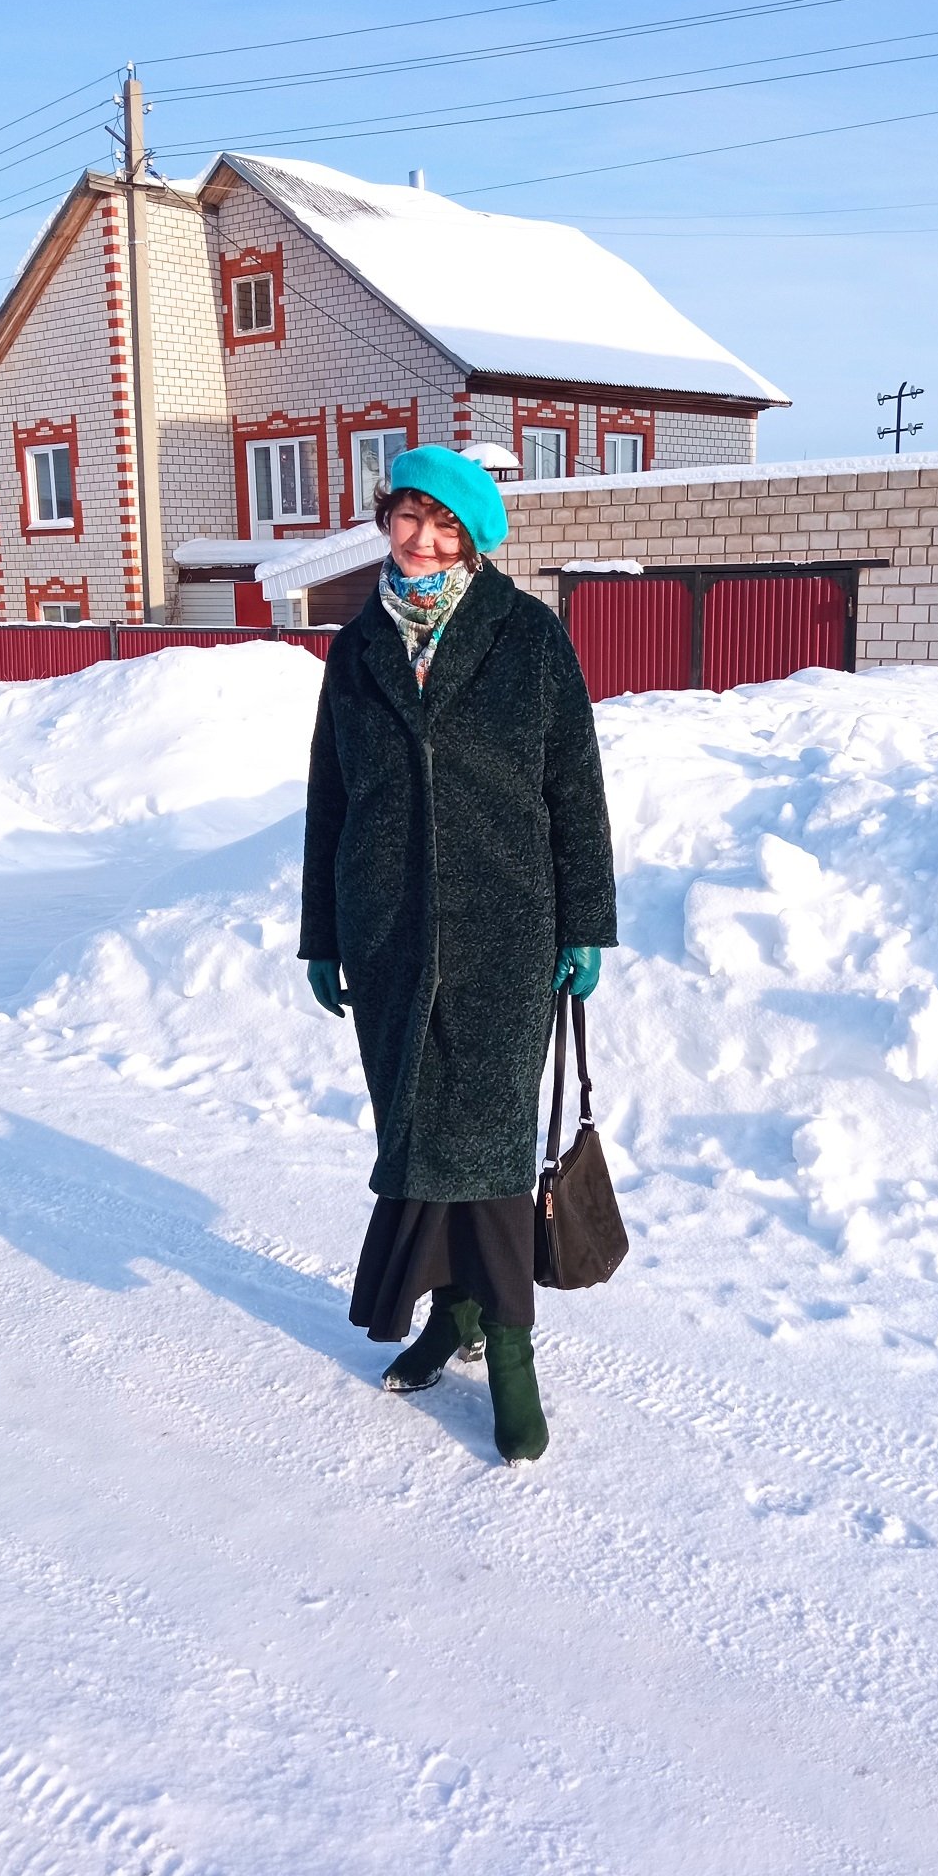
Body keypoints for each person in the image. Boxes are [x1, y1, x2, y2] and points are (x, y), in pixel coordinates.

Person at [300, 445, 616, 1462]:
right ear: (386, 519)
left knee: (488, 1146)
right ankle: (456, 1313)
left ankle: (510, 1345)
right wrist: (322, 933)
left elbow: (574, 786)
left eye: (446, 526)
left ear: (475, 540)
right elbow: (330, 798)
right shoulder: (358, 648)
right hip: (386, 932)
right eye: (409, 517)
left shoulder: (527, 636)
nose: (423, 541)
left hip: (505, 931)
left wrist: (584, 922)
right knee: (417, 1137)